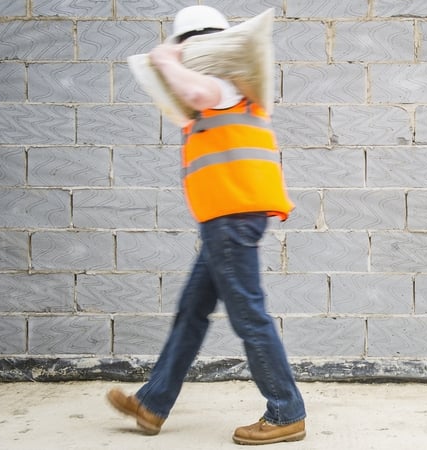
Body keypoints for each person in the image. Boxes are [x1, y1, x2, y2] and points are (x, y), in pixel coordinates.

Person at [106, 5, 306, 446]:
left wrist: (163, 61)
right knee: (192, 312)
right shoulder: (229, 90)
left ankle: (286, 411)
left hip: (233, 219)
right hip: (225, 220)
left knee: (249, 316)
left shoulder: (219, 84)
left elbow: (197, 95)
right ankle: (153, 403)